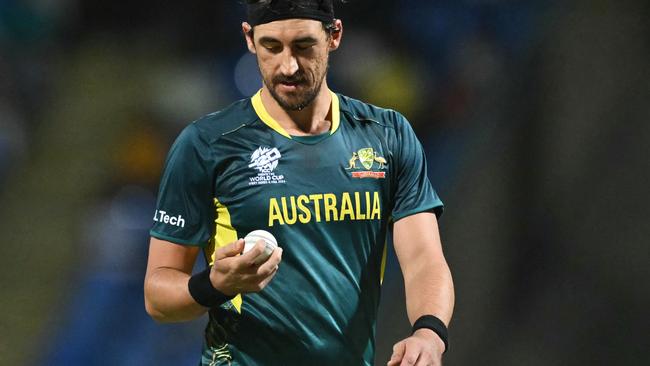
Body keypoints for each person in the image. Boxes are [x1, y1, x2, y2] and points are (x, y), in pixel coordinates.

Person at [144, 0, 454, 365]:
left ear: (334, 35)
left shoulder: (387, 136)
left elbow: (423, 258)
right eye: (271, 47)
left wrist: (429, 333)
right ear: (249, 39)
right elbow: (158, 296)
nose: (288, 66)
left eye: (304, 46)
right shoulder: (206, 144)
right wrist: (214, 283)